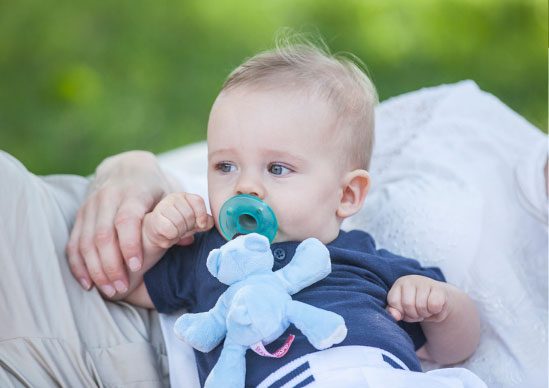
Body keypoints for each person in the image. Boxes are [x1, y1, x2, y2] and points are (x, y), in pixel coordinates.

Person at [98, 41, 482, 387]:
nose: (245, 187)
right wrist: (154, 238)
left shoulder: (366, 260)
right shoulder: (211, 255)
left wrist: (440, 305)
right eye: (225, 167)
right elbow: (125, 285)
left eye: (278, 169)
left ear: (346, 194)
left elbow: (455, 349)